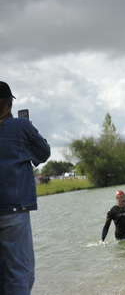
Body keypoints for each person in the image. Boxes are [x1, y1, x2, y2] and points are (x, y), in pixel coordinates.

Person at [0, 81, 51, 294]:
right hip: (13, 211)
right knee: (20, 274)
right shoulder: (21, 127)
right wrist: (28, 129)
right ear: (10, 103)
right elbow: (44, 153)